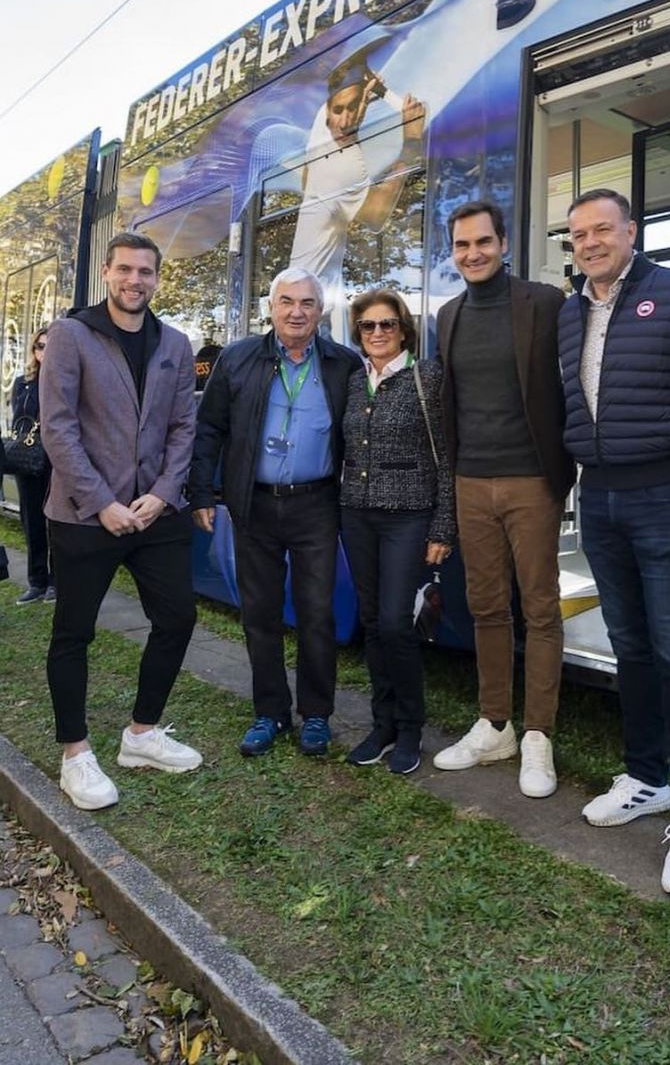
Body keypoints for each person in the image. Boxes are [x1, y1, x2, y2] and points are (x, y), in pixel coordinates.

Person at [558, 188, 670, 897]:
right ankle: (646, 776)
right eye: (578, 234)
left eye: (603, 229)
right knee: (629, 645)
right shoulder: (569, 314)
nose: (591, 242)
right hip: (598, 494)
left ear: (632, 232)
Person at [40, 232, 201, 811]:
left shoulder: (175, 344)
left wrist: (162, 493)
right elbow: (58, 427)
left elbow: (185, 425)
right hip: (86, 515)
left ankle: (141, 734)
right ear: (108, 273)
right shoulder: (71, 334)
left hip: (154, 511)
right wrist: (101, 501)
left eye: (146, 272)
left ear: (158, 278)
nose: (136, 280)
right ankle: (75, 755)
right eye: (126, 270)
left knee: (178, 617)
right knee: (73, 632)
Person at [432, 200, 575, 798]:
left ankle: (538, 734)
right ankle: (496, 724)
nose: (473, 254)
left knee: (540, 609)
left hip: (531, 479)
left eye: (482, 242)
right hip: (471, 480)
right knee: (486, 606)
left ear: (505, 243)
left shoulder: (543, 303)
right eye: (462, 245)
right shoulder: (448, 315)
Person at [190, 266, 361, 758]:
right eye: (287, 301)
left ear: (321, 311)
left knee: (316, 613)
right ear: (272, 307)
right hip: (255, 505)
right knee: (259, 614)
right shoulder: (238, 358)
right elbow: (209, 430)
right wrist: (202, 493)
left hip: (317, 505)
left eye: (307, 303)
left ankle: (316, 716)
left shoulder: (342, 364)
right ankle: (269, 713)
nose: (296, 312)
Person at [340, 288, 455, 775]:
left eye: (387, 324)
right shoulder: (351, 381)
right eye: (368, 326)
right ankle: (382, 724)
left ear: (404, 329)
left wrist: (443, 525)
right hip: (357, 515)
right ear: (358, 333)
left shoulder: (427, 377)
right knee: (370, 622)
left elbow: (448, 454)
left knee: (395, 623)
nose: (378, 333)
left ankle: (410, 728)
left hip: (409, 515)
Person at [288, 57, 427, 336]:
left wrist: (376, 92)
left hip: (304, 302)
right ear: (327, 113)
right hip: (311, 316)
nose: (345, 119)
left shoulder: (320, 135)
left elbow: (345, 102)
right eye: (338, 111)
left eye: (353, 107)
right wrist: (412, 138)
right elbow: (376, 216)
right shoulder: (344, 164)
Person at [11, 326, 54, 605]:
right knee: (33, 522)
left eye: (49, 346)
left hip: (58, 460)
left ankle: (58, 582)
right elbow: (18, 419)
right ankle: (37, 581)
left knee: (59, 524)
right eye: (39, 346)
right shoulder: (23, 382)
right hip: (28, 458)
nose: (43, 351)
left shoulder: (66, 379)